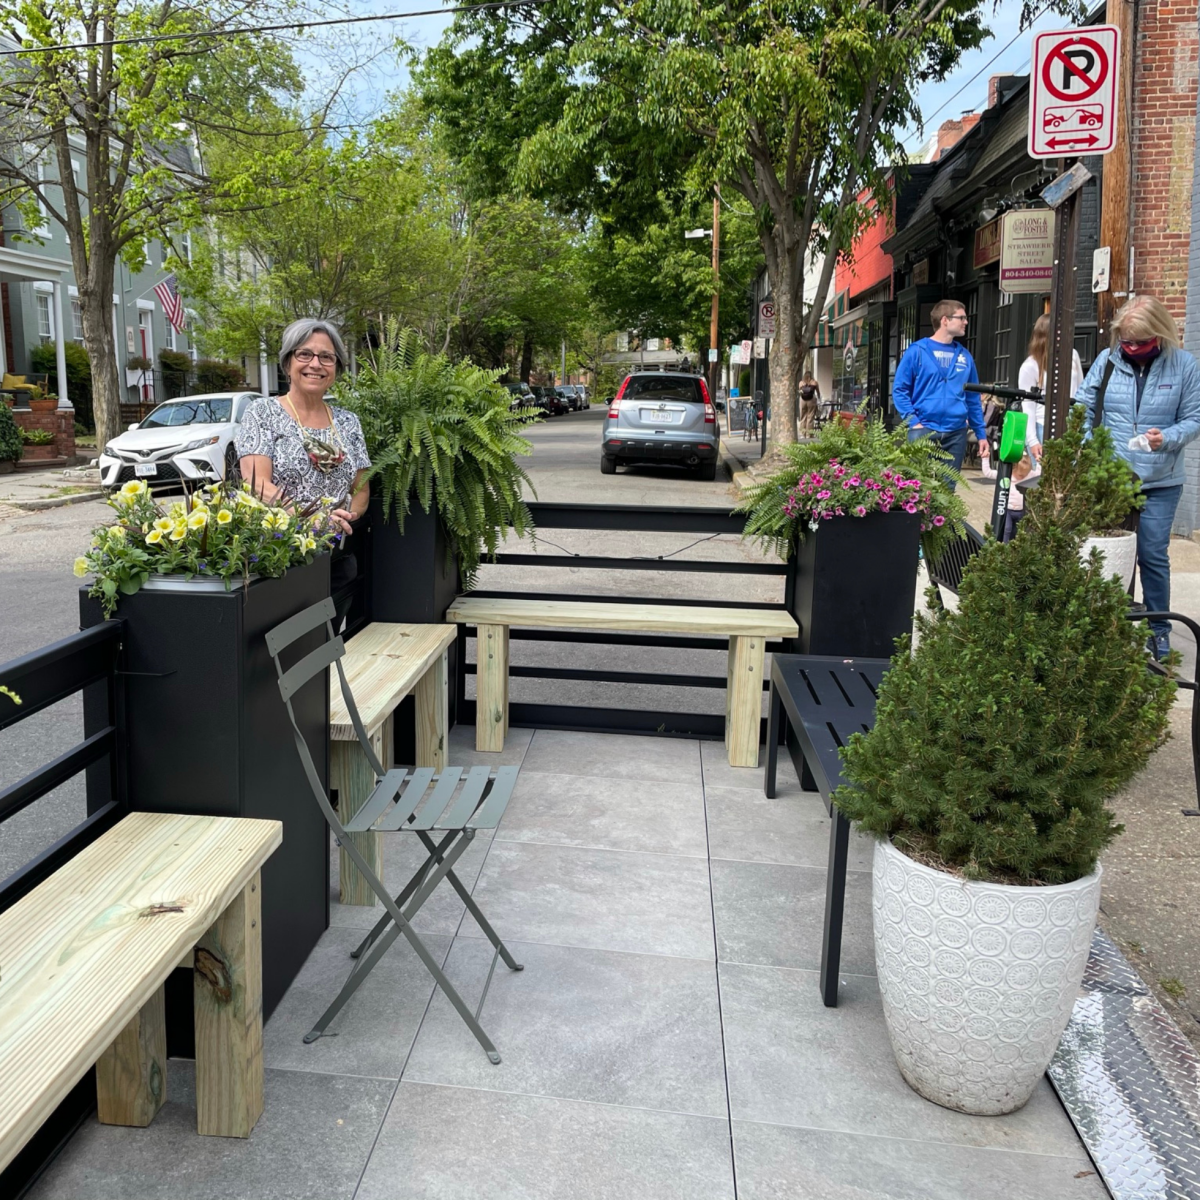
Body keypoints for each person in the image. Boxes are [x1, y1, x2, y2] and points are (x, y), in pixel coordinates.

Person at [1075, 295, 1200, 660]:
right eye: (1126, 340)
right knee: (1107, 555)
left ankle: (1157, 631)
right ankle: (1104, 627)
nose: (1131, 347)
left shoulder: (1184, 366)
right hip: (1113, 477)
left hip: (1160, 479)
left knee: (1152, 555)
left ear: (1159, 333)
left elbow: (1194, 418)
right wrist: (1089, 447)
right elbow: (1082, 407)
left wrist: (1168, 438)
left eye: (1139, 341)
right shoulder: (1107, 360)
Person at [236, 318, 371, 595]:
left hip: (337, 558)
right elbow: (256, 483)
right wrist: (311, 519)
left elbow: (362, 488)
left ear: (336, 368)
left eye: (326, 357)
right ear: (288, 363)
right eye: (305, 354)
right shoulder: (263, 413)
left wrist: (344, 519)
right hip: (282, 558)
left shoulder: (348, 422)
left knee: (336, 622)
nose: (316, 364)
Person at [891, 298, 989, 479]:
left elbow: (973, 398)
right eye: (961, 318)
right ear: (945, 320)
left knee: (948, 489)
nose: (966, 322)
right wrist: (914, 422)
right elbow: (899, 390)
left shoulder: (965, 356)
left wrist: (981, 434)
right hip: (923, 429)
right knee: (917, 486)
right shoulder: (917, 351)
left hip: (956, 431)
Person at [1018, 312, 1084, 460]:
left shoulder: (1073, 355)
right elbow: (1028, 405)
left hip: (1071, 425)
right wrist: (1032, 440)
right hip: (1042, 426)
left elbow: (1081, 390)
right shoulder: (1030, 365)